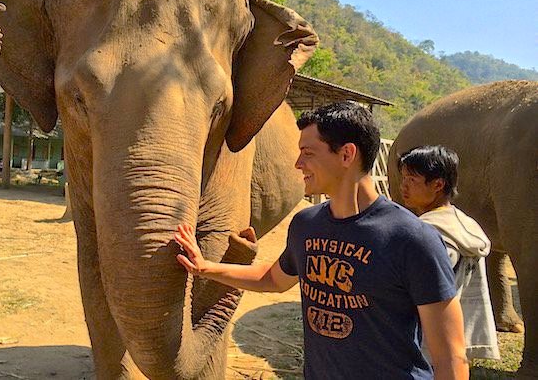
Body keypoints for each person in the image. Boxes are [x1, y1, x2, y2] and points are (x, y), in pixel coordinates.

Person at [174, 102, 468, 379]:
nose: (298, 163)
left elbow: (450, 356)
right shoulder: (306, 224)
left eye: (309, 153)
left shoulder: (411, 238)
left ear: (346, 155)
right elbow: (274, 278)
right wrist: (206, 267)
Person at [399, 145, 500, 360]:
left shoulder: (431, 234)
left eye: (412, 180)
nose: (403, 186)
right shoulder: (463, 225)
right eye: (404, 178)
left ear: (437, 185)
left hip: (429, 340)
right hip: (459, 334)